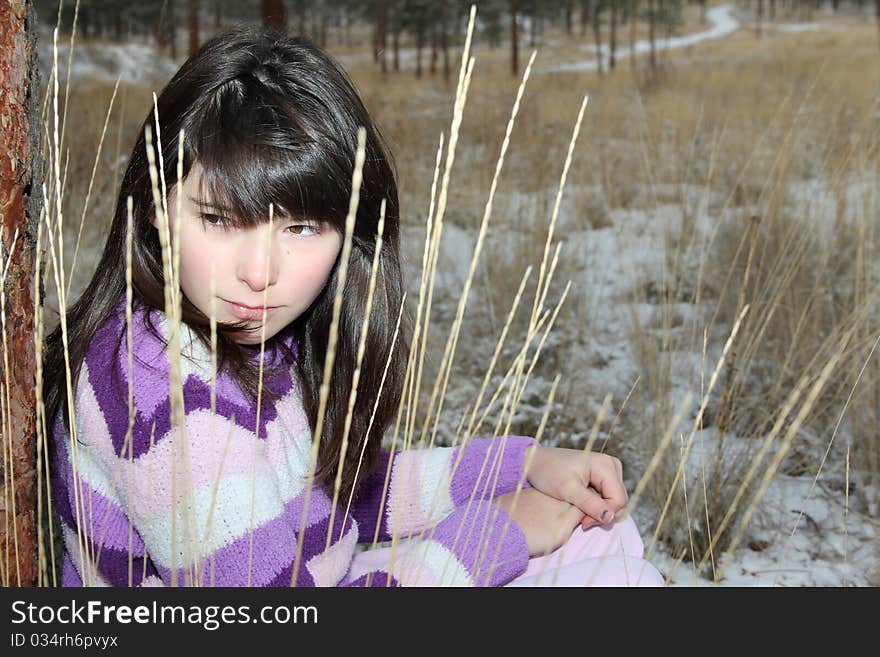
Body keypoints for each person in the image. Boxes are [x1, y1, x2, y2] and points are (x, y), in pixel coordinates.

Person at [44, 28, 664, 588]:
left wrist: (520, 466)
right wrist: (493, 532)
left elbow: (334, 495)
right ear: (156, 208)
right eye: (217, 218)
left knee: (601, 535)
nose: (259, 274)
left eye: (304, 228)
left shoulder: (240, 334)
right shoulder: (162, 398)